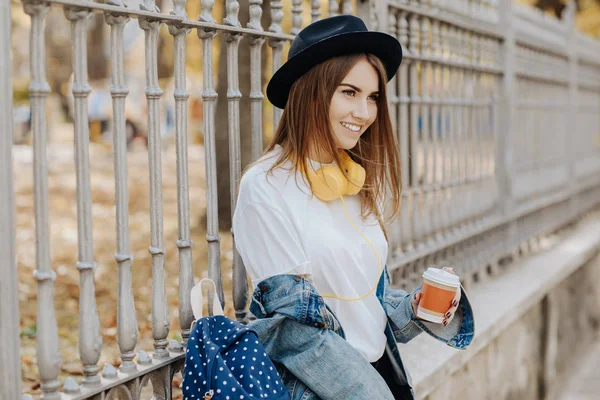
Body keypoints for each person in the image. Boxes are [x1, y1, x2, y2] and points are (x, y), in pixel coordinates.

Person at [232, 15, 474, 400]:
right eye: (349, 92)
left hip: (378, 377)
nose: (364, 112)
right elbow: (298, 335)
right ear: (311, 92)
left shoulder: (356, 181)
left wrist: (417, 306)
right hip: (322, 388)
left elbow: (366, 305)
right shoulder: (265, 186)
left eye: (372, 97)